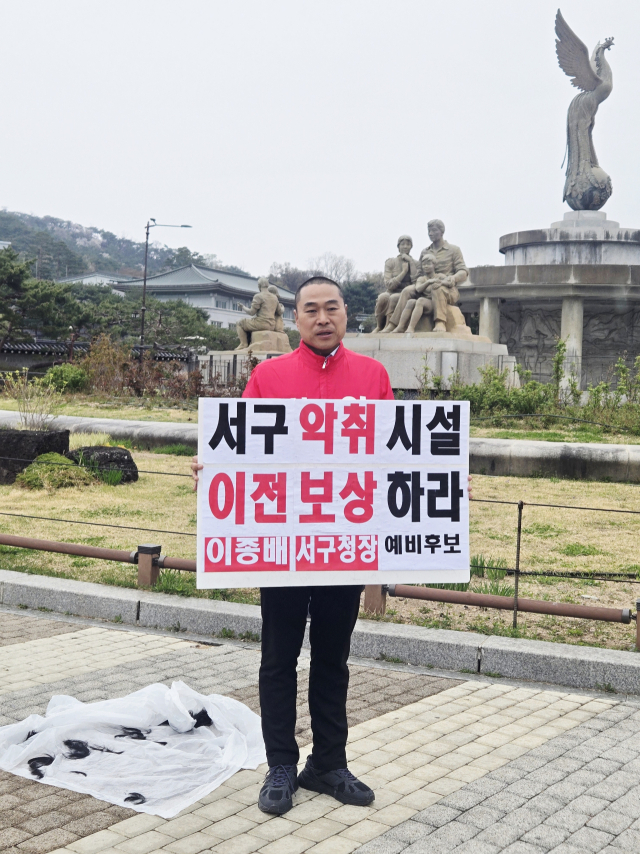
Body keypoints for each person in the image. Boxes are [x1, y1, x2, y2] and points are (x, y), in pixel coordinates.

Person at [192, 277, 472, 815]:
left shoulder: (373, 376)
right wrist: (213, 466)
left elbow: (394, 459)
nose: (322, 318)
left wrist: (441, 478)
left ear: (348, 314)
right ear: (295, 318)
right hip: (283, 546)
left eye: (332, 308)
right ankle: (280, 764)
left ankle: (328, 764)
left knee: (332, 658)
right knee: (278, 658)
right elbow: (243, 448)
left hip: (345, 545)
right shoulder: (269, 375)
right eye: (311, 310)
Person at [384, 220, 468, 334]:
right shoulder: (425, 251)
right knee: (407, 291)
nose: (430, 233)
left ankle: (440, 321)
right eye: (429, 231)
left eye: (434, 230)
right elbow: (419, 272)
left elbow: (463, 271)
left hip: (445, 287)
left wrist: (453, 278)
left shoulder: (454, 250)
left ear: (442, 232)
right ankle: (394, 324)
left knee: (436, 286)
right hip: (426, 283)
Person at [373, 235, 419, 333]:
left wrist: (410, 263)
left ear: (411, 246)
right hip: (391, 291)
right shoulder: (391, 262)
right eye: (402, 244)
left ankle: (389, 326)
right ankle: (379, 326)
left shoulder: (416, 263)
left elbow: (416, 282)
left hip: (406, 293)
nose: (405, 247)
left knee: (394, 298)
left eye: (408, 244)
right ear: (398, 247)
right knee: (382, 297)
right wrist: (403, 272)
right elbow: (389, 284)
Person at [235, 277, 279, 349]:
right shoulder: (274, 297)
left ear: (259, 285)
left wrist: (243, 307)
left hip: (261, 323)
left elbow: (251, 312)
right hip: (272, 325)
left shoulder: (258, 296)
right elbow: (279, 311)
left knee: (240, 322)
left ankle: (243, 344)